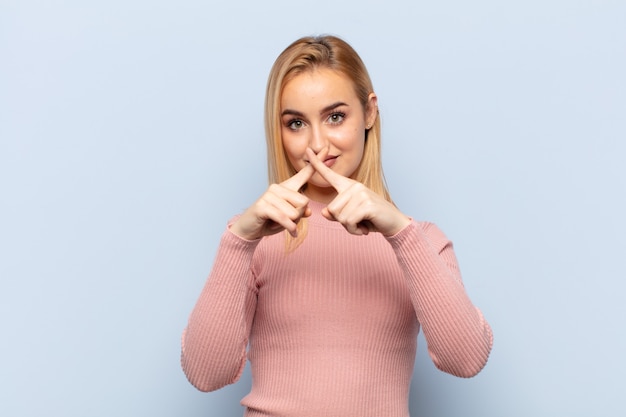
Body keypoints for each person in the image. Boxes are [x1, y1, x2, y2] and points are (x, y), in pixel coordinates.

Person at [181, 35, 493, 417]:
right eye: (296, 123)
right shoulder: (253, 238)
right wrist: (239, 241)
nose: (316, 144)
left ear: (369, 113)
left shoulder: (421, 241)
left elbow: (466, 360)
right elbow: (205, 374)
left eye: (335, 117)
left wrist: (399, 232)